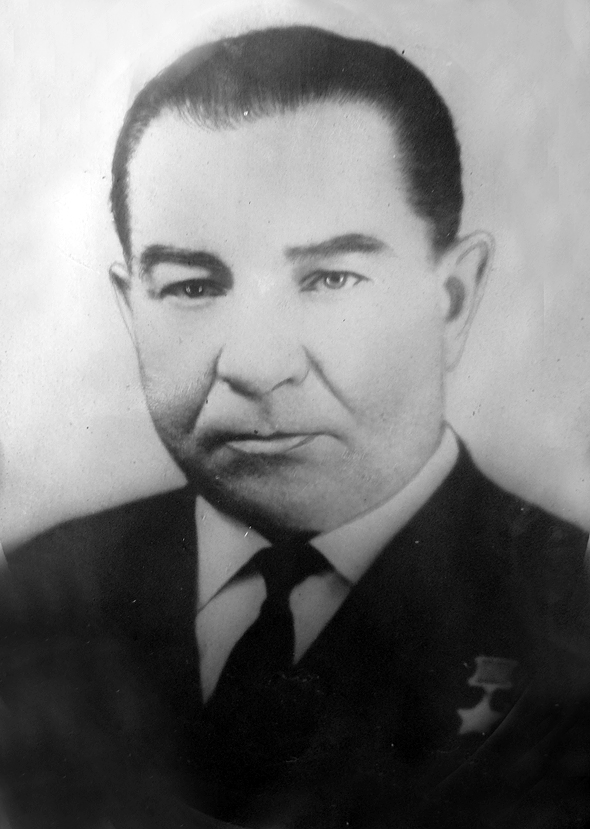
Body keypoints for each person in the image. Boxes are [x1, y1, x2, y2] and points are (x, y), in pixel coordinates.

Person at [1, 24, 589, 829]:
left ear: (452, 299)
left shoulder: (570, 606)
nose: (256, 364)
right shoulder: (36, 596)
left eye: (330, 278)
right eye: (192, 286)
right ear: (131, 308)